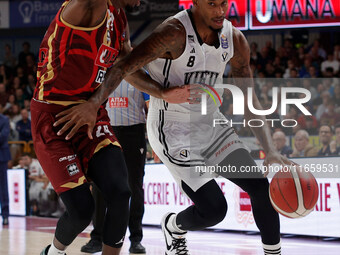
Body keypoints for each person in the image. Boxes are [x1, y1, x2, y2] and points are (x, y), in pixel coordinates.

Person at [54, 1, 297, 255]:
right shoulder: (173, 32)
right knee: (215, 210)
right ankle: (173, 225)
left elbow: (249, 99)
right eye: (212, 4)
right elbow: (124, 68)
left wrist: (269, 149)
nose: (219, 10)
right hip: (171, 130)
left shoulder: (234, 39)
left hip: (212, 127)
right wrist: (157, 93)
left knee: (261, 188)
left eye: (223, 3)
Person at [32, 1, 195, 255]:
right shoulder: (86, 7)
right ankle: (53, 252)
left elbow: (125, 68)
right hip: (54, 117)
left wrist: (162, 92)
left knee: (121, 192)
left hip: (91, 112)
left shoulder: (118, 17)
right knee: (81, 211)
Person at [81, 80, 149, 254]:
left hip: (134, 132)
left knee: (134, 186)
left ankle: (135, 239)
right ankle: (96, 238)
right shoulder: (104, 74)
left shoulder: (142, 75)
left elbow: (150, 106)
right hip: (106, 131)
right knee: (99, 185)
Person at [0, 106, 11, 225]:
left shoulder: (4, 119)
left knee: (3, 188)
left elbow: (3, 136)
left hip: (1, 157)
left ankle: (5, 215)